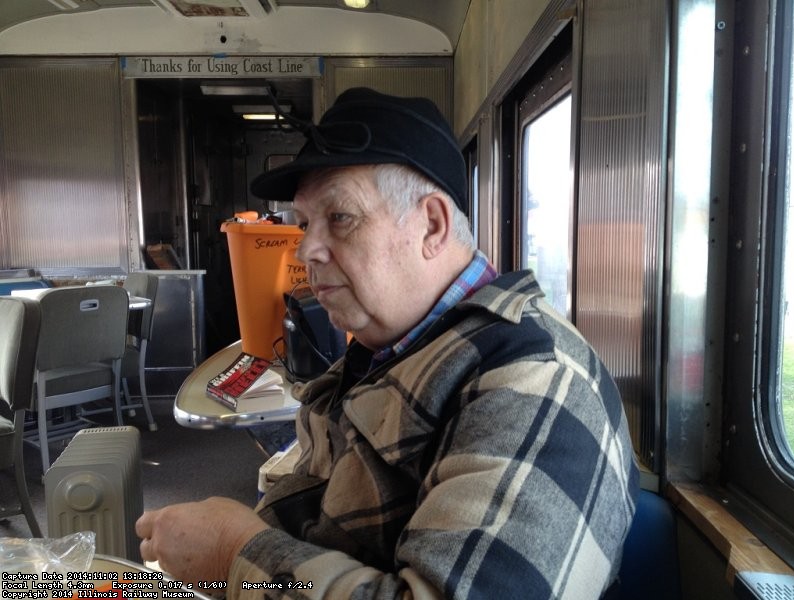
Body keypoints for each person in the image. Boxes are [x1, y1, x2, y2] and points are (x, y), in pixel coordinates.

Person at [136, 87, 640, 599]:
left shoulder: (535, 383)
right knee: (72, 584)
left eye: (341, 218)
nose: (306, 247)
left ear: (432, 225)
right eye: (306, 223)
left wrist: (232, 553)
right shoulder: (392, 348)